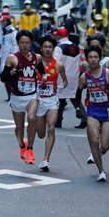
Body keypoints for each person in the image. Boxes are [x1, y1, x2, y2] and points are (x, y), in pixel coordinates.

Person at [76, 45, 109, 181]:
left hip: (107, 110)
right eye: (91, 57)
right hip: (92, 111)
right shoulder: (84, 77)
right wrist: (78, 108)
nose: (93, 60)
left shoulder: (108, 73)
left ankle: (98, 153)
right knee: (94, 140)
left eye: (96, 57)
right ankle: (101, 171)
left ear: (100, 58)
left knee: (105, 145)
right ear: (87, 60)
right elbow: (77, 93)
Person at [0, 29, 40, 164]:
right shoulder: (12, 58)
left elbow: (41, 70)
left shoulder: (37, 57)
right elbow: (2, 78)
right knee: (19, 128)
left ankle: (30, 148)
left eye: (27, 43)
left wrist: (44, 78)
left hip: (32, 95)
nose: (24, 45)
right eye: (22, 43)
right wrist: (11, 72)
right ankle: (22, 146)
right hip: (17, 96)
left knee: (32, 117)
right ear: (17, 43)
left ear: (31, 44)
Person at [36, 35, 68, 172]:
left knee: (51, 128)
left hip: (52, 100)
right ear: (41, 49)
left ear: (53, 49)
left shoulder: (58, 65)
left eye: (50, 47)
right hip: (37, 101)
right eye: (45, 47)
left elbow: (65, 80)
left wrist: (63, 86)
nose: (48, 49)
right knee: (41, 134)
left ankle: (45, 160)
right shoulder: (36, 64)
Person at [0, 17, 18, 100]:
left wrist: (13, 57)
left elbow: (15, 45)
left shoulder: (13, 32)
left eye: (2, 22)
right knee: (4, 76)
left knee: (11, 76)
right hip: (3, 57)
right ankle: (9, 95)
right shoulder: (4, 32)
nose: (1, 24)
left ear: (6, 22)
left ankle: (13, 94)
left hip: (10, 57)